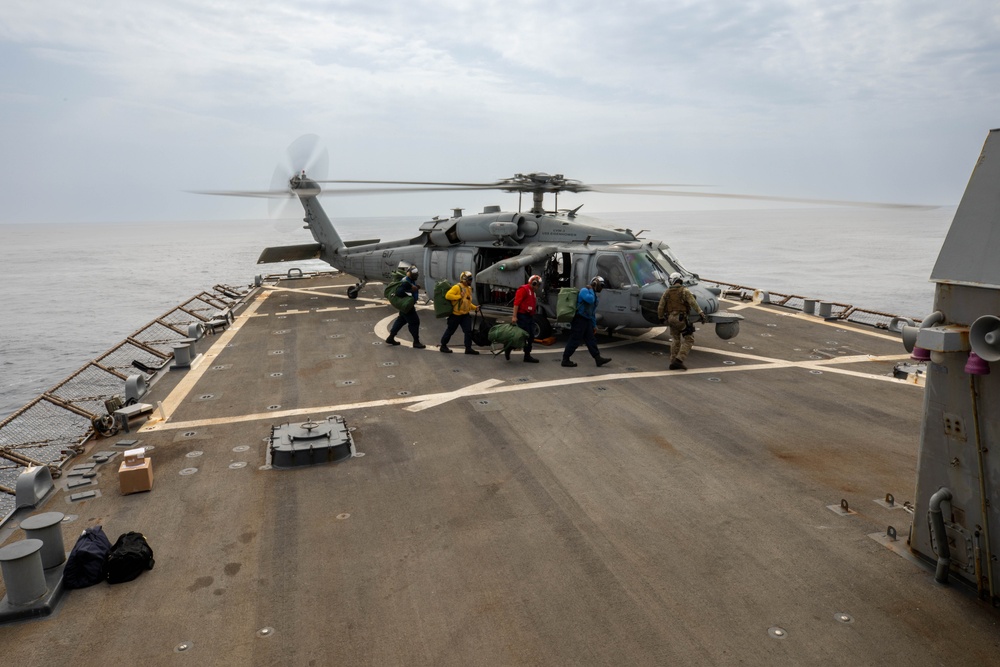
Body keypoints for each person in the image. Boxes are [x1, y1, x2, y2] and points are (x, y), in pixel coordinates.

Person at [657, 272, 706, 370]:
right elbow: (693, 303)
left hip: (671, 319)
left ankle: (673, 362)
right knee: (689, 339)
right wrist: (701, 313)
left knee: (676, 339)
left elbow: (661, 307)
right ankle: (679, 360)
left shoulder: (667, 292)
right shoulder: (684, 291)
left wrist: (661, 317)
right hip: (681, 319)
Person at [562, 276, 612, 368]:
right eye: (600, 285)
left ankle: (598, 359)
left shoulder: (594, 295)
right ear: (595, 283)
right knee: (575, 340)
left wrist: (594, 325)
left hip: (587, 320)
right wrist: (592, 289)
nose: (601, 288)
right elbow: (590, 300)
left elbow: (592, 312)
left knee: (591, 340)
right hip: (579, 319)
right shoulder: (584, 291)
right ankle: (565, 359)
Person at [440, 271, 480, 355]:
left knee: (468, 331)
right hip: (456, 315)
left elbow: (467, 302)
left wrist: (474, 308)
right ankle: (443, 345)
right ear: (464, 280)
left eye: (471, 280)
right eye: (469, 280)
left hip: (465, 315)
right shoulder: (457, 287)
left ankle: (468, 348)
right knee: (450, 330)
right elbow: (448, 295)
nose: (470, 281)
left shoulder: (468, 289)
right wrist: (459, 296)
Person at [386, 266, 425, 348]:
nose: (416, 276)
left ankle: (391, 337)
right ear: (411, 274)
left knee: (401, 320)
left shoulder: (410, 280)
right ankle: (416, 342)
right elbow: (399, 292)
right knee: (414, 322)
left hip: (407, 305)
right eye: (415, 274)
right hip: (407, 306)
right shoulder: (405, 282)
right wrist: (412, 290)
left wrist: (416, 287)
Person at [511, 274, 541, 363]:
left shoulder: (533, 292)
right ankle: (510, 347)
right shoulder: (524, 289)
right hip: (522, 315)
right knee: (523, 336)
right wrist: (514, 316)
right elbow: (516, 303)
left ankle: (527, 355)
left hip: (529, 316)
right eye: (538, 284)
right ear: (534, 283)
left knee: (530, 336)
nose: (538, 287)